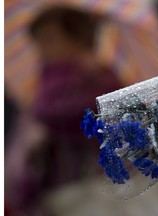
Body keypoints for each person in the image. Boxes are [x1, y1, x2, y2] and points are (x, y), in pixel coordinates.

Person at [5, 6, 123, 215]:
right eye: (39, 41)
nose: (42, 49)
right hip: (54, 184)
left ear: (78, 39)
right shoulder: (45, 80)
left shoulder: (100, 77)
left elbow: (101, 115)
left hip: (91, 180)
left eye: (50, 40)